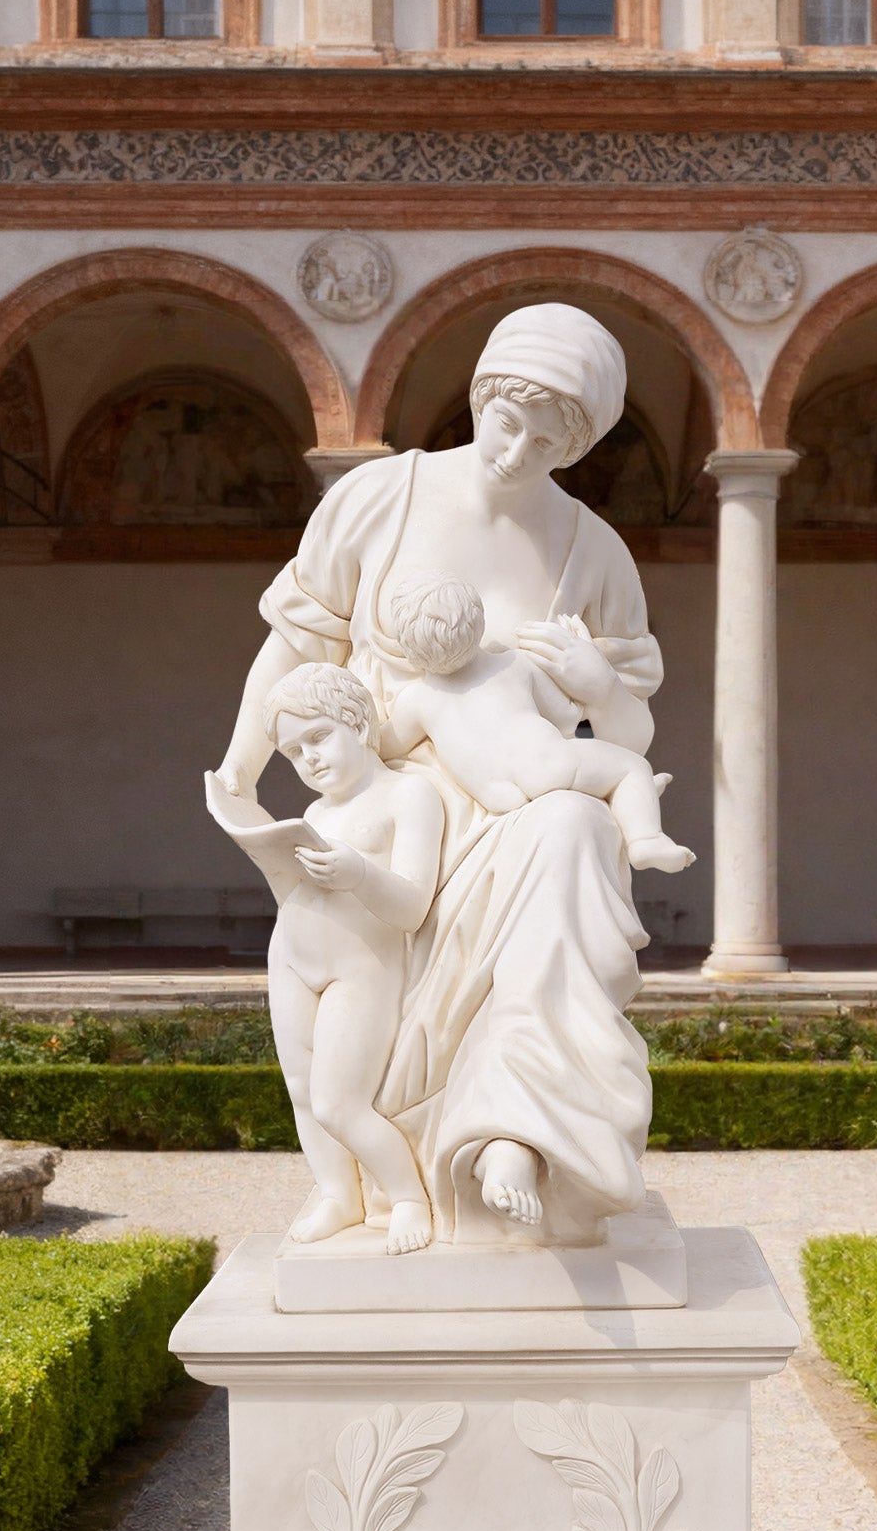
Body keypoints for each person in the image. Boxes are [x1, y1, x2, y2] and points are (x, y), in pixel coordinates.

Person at [213, 304, 663, 1245]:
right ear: (481, 396)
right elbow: (297, 647)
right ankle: (367, 1182)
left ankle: (515, 1133)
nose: (516, 451)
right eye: (507, 421)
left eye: (548, 441)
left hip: (522, 805)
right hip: (389, 808)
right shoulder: (380, 497)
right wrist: (241, 767)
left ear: (577, 447)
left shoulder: (593, 553)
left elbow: (630, 729)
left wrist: (595, 685)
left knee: (576, 827)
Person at [260, 663, 446, 1254]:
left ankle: (408, 1196)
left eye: (318, 737)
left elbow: (412, 905)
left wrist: (360, 872)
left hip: (359, 968)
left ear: (359, 723)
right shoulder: (315, 813)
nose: (309, 759)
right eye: (293, 752)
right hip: (292, 956)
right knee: (301, 1090)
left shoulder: (408, 794)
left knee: (339, 1102)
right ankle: (339, 1194)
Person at [381, 570, 693, 874]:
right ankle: (645, 839)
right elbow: (567, 717)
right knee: (632, 768)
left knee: (589, 781)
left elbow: (385, 746)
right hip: (546, 764)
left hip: (497, 796)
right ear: (479, 622)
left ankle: (624, 797)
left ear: (406, 646)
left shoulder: (415, 700)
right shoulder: (512, 664)